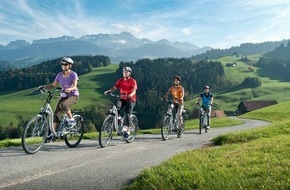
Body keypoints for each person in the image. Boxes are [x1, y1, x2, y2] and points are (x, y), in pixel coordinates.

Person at [43, 57, 79, 132]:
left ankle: (71, 120)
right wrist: (44, 87)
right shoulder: (59, 75)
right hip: (64, 95)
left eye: (66, 64)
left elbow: (75, 87)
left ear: (70, 65)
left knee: (63, 105)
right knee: (56, 114)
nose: (63, 66)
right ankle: (52, 134)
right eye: (62, 64)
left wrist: (69, 89)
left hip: (73, 95)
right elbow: (53, 85)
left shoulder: (73, 74)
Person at [104, 66, 137, 140]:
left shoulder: (133, 81)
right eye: (124, 72)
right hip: (122, 98)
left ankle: (127, 131)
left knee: (127, 113)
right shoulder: (120, 81)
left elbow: (134, 90)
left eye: (126, 72)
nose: (125, 73)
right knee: (115, 108)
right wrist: (109, 91)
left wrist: (131, 94)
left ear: (129, 73)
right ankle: (118, 119)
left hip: (130, 99)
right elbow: (114, 88)